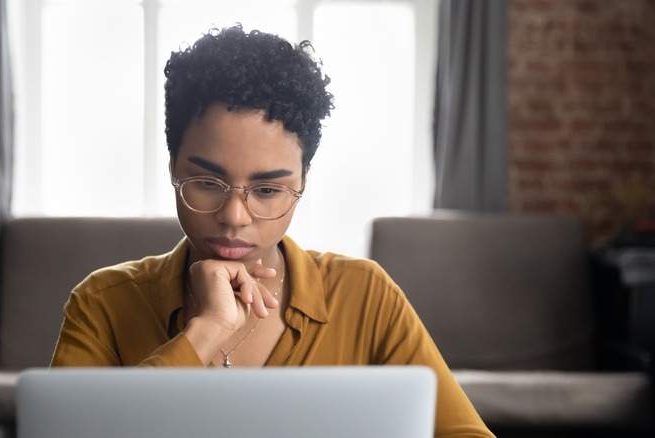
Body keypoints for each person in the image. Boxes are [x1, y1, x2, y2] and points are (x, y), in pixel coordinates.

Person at [51, 24, 494, 437]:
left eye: (266, 190)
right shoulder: (101, 304)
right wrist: (207, 330)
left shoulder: (366, 296)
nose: (234, 217)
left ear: (303, 181)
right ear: (173, 168)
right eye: (207, 182)